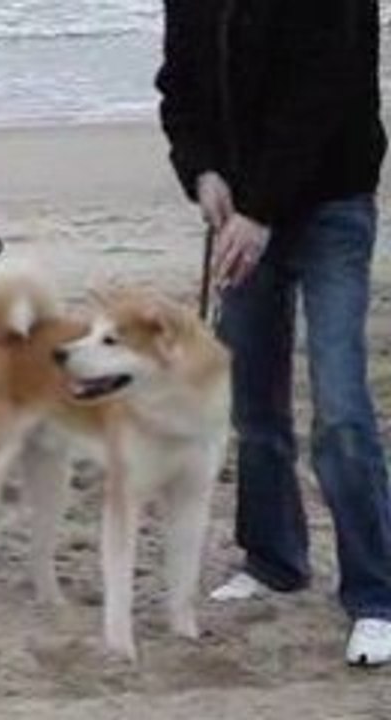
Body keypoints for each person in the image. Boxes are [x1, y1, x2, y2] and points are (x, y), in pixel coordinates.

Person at [156, 0, 391, 665]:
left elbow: (323, 94)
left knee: (341, 406)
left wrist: (259, 210)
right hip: (242, 214)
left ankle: (377, 595)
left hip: (330, 204)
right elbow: (180, 85)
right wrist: (201, 171)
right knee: (253, 401)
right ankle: (273, 558)